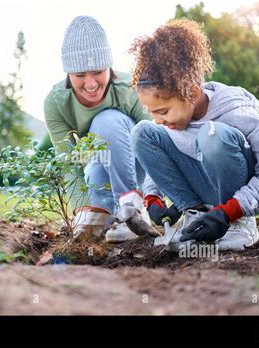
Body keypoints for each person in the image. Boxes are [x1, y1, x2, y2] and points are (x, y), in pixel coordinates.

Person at [129, 19, 259, 251]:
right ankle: (196, 217)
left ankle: (239, 225)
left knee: (212, 135)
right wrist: (152, 197)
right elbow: (166, 153)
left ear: (193, 94)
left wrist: (230, 211)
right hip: (202, 196)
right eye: (153, 112)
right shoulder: (173, 121)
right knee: (142, 132)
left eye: (163, 111)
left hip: (236, 203)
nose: (158, 120)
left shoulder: (236, 112)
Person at [44, 15, 156, 242]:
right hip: (98, 167)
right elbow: (68, 163)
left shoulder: (130, 89)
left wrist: (153, 198)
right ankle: (114, 216)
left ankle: (131, 207)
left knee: (106, 121)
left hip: (135, 166)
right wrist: (82, 210)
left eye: (98, 71)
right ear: (68, 74)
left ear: (109, 66)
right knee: (97, 221)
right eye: (80, 75)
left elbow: (153, 146)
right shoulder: (56, 103)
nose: (91, 83)